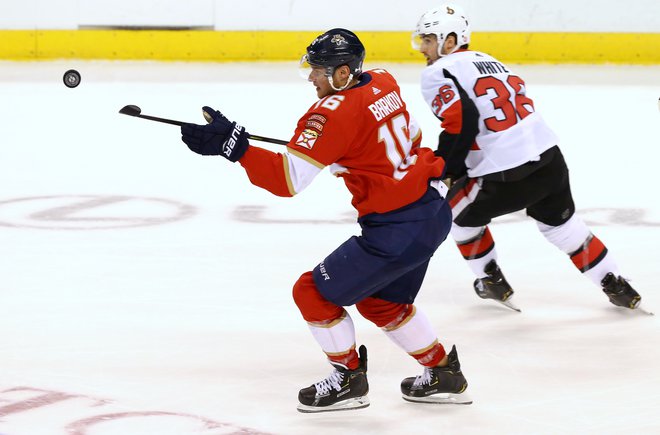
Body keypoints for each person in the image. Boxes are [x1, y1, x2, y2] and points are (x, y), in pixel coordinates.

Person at [179, 29, 472, 412]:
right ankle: (444, 373)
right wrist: (351, 152)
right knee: (382, 304)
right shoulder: (383, 80)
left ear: (343, 72)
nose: (313, 78)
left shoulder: (329, 113)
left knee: (311, 293)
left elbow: (287, 180)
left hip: (395, 229)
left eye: (319, 71)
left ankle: (348, 379)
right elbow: (410, 136)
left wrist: (237, 149)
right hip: (432, 211)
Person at [411, 4, 644, 312]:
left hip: (504, 175)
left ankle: (489, 279)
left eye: (428, 40)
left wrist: (446, 169)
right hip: (550, 160)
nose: (423, 48)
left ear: (449, 41)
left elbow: (461, 119)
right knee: (565, 229)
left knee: (452, 215)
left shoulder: (437, 72)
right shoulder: (491, 61)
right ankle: (615, 283)